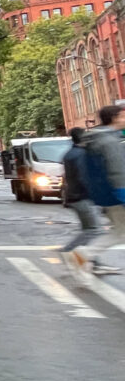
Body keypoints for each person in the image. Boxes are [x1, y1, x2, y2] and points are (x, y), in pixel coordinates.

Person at [70, 105, 125, 275]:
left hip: (106, 193)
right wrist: (122, 194)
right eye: (123, 116)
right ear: (115, 118)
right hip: (116, 194)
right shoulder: (109, 141)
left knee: (120, 232)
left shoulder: (98, 138)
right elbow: (118, 171)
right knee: (120, 233)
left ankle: (85, 254)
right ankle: (84, 254)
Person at [61, 127, 102, 252]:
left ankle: (91, 261)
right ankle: (68, 251)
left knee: (89, 230)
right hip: (82, 196)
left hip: (75, 196)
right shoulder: (81, 154)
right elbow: (84, 176)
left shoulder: (70, 153)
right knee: (94, 230)